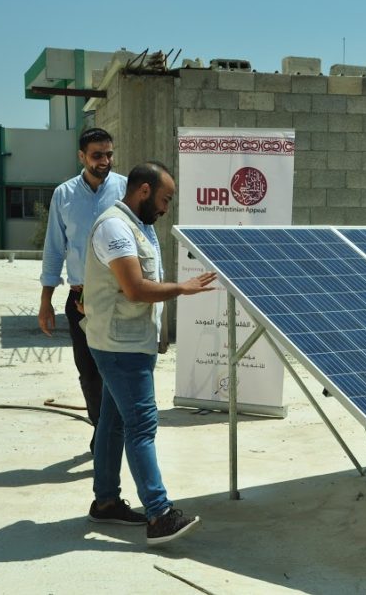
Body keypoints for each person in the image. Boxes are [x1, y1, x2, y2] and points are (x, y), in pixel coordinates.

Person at [83, 161, 217, 544]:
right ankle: (159, 515)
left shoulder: (135, 225)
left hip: (124, 342)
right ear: (143, 190)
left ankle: (105, 503)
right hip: (120, 346)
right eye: (164, 198)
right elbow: (135, 289)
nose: (165, 207)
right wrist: (183, 288)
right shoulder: (115, 227)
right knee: (141, 426)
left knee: (113, 421)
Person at [38, 128, 126, 454]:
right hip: (80, 300)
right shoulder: (64, 195)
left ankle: (109, 435)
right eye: (97, 155)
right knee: (89, 375)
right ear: (81, 157)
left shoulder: (126, 189)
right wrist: (45, 302)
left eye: (109, 154)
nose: (105, 161)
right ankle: (102, 429)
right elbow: (53, 250)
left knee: (119, 371)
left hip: (120, 296)